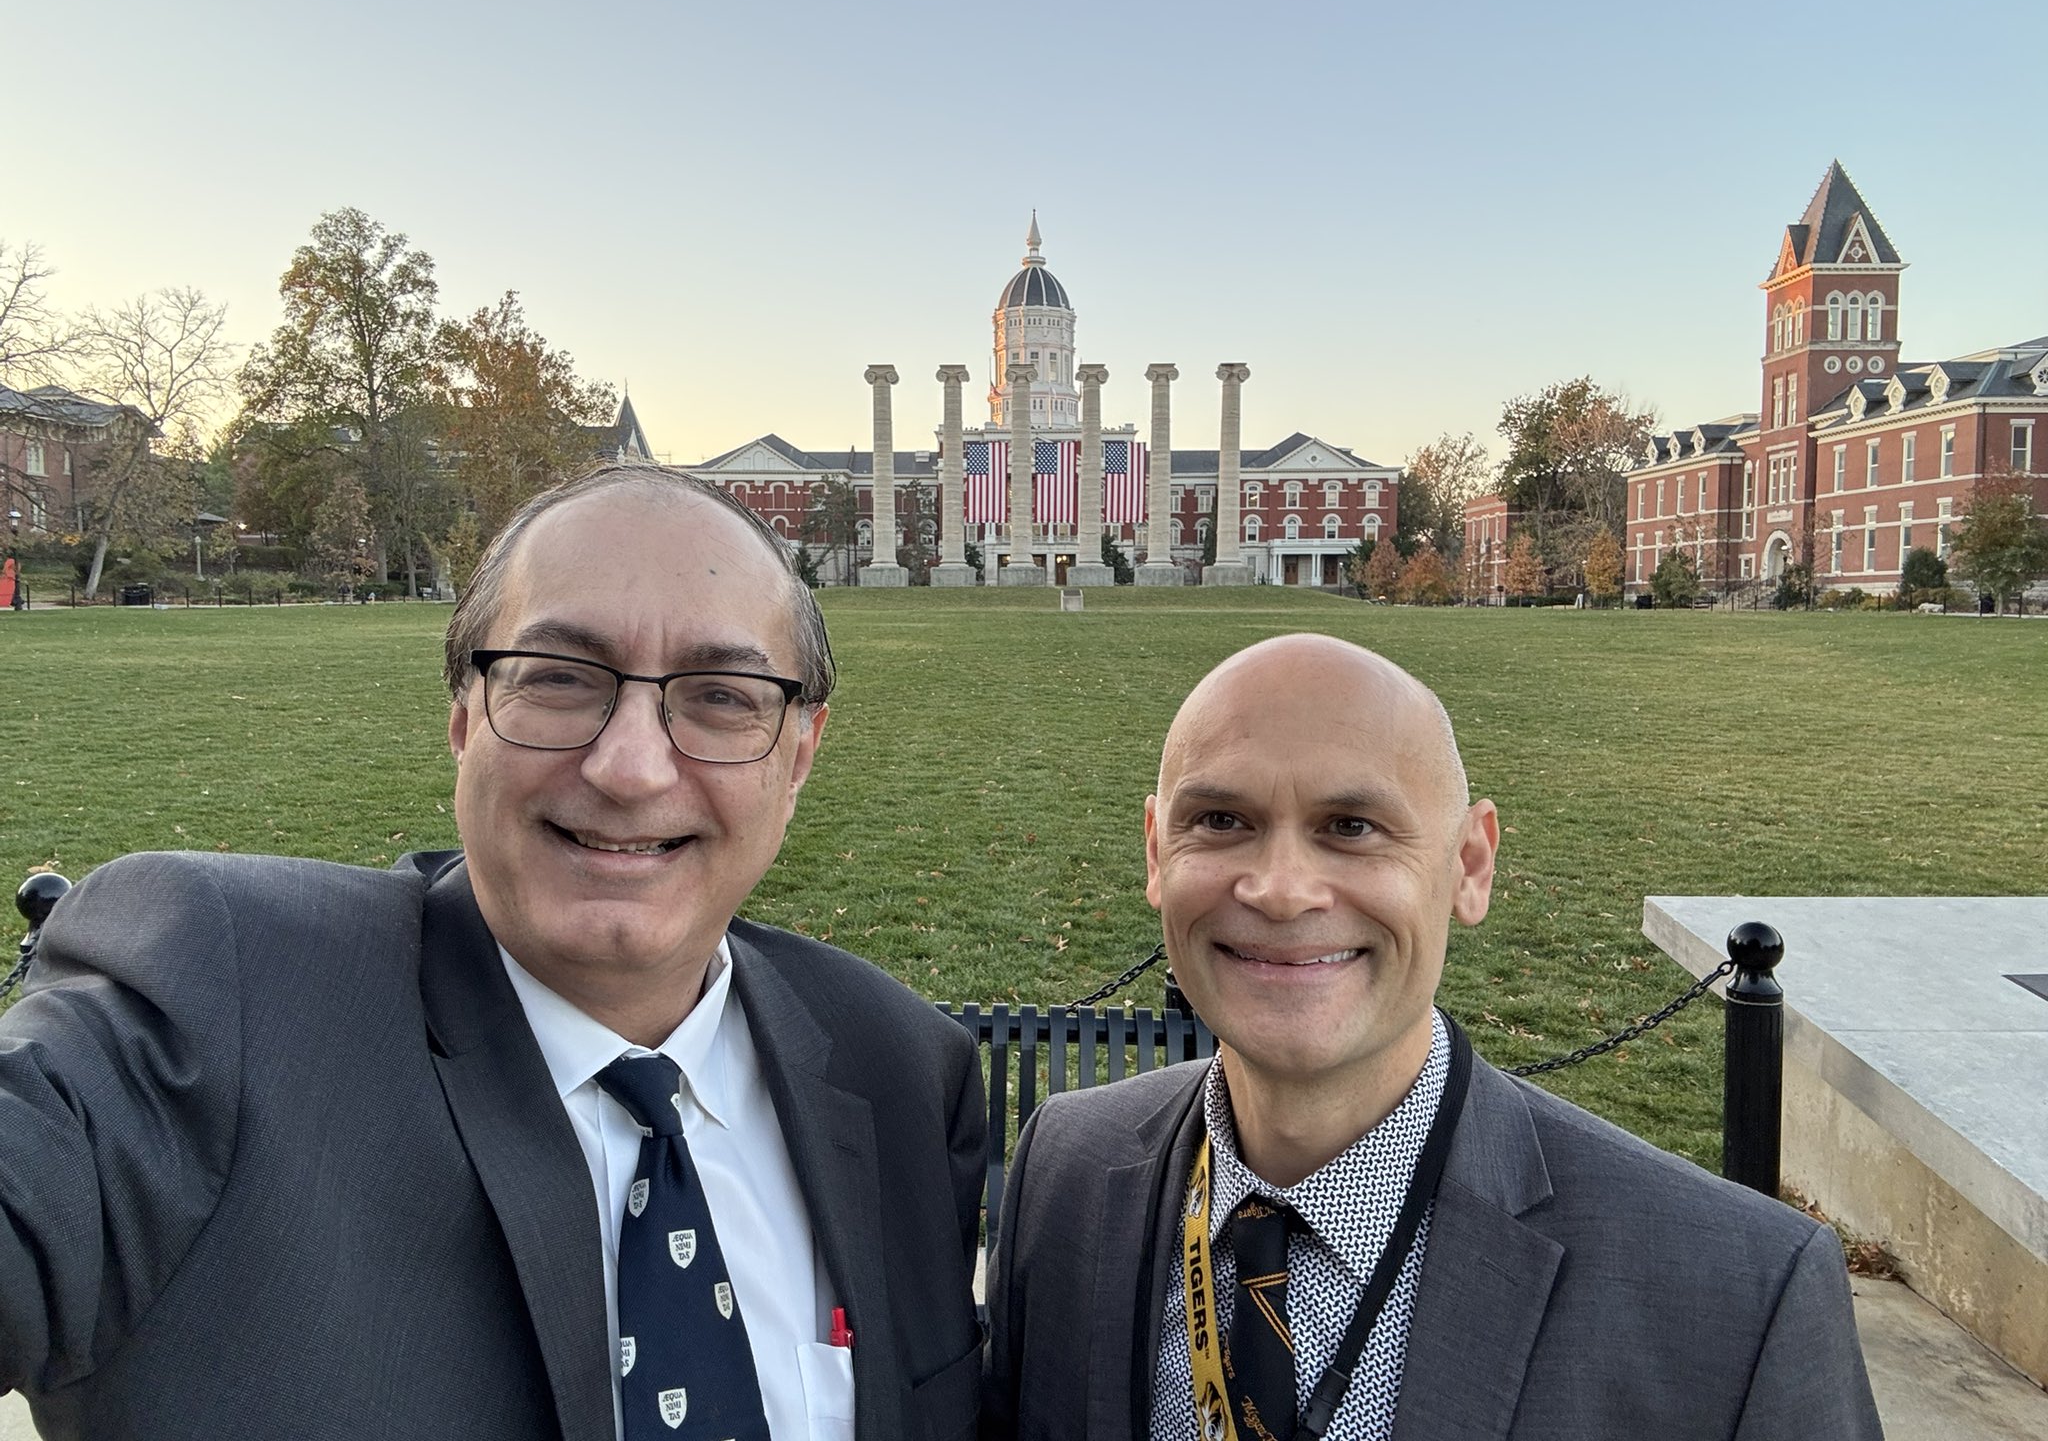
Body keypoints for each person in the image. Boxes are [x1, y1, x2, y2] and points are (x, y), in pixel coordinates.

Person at [0, 464, 986, 1441]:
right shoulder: (220, 998)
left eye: (720, 697)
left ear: (799, 754)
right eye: (560, 679)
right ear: (465, 715)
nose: (631, 768)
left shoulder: (898, 1071)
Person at [982, 633, 1880, 1441]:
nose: (1281, 889)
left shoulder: (1735, 1295)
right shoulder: (1065, 1177)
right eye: (1222, 821)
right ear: (1155, 853)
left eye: (1352, 828)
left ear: (1469, 865)